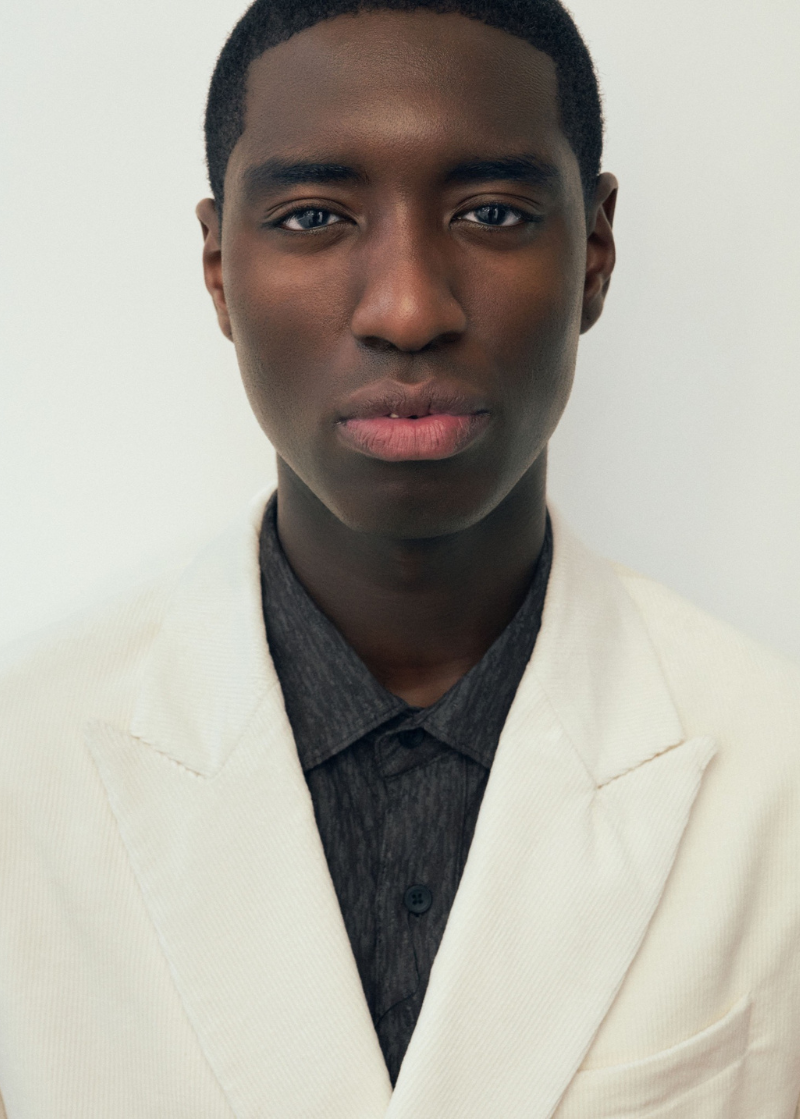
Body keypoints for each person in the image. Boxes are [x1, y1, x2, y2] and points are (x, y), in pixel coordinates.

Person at [1, 0, 799, 1115]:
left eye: (491, 212)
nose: (409, 309)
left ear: (594, 253)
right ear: (219, 266)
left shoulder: (777, 773)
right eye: (314, 217)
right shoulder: (21, 770)